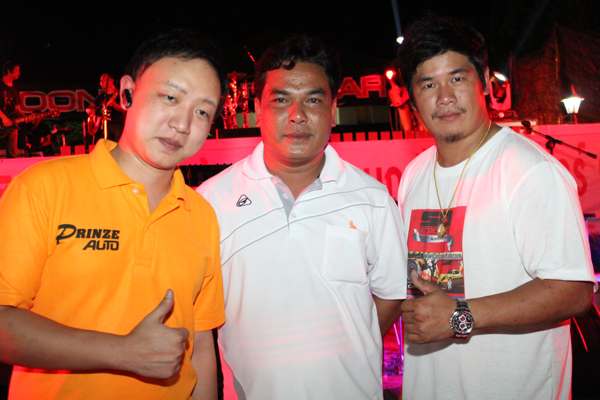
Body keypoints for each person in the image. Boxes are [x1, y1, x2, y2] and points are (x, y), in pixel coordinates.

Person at [0, 29, 226, 400]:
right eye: (170, 97)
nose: (183, 123)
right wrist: (123, 352)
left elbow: (200, 344)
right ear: (127, 93)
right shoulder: (44, 188)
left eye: (202, 111)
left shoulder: (200, 214)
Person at [396, 16, 595, 400]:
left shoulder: (529, 171)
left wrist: (459, 316)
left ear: (485, 81)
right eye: (428, 84)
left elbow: (573, 291)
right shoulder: (413, 174)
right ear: (412, 96)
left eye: (457, 78)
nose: (444, 96)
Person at [198, 35, 406, 399]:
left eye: (313, 99)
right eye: (281, 100)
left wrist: (345, 343)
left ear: (333, 108)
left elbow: (390, 296)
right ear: (258, 108)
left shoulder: (372, 199)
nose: (297, 115)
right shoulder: (212, 201)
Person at [0, 61, 23, 157]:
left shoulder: (14, 89)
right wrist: (3, 118)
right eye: (17, 70)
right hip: (2, 121)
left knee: (13, 153)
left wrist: (28, 117)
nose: (19, 73)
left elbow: (17, 109)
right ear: (9, 71)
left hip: (10, 124)